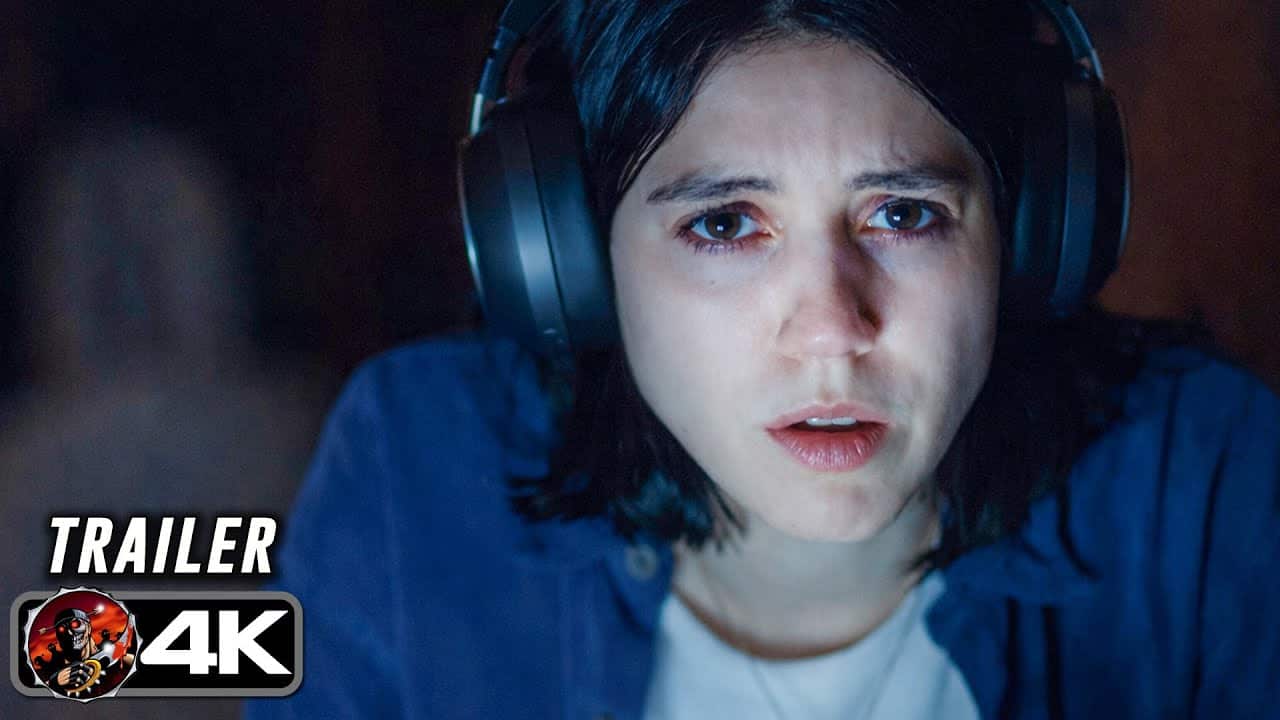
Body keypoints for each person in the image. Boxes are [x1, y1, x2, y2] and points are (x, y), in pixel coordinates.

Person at [246, 1, 1280, 718]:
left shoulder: (1203, 480)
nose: (831, 329)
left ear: (1030, 231)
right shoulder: (412, 469)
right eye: (724, 225)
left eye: (903, 214)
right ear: (570, 258)